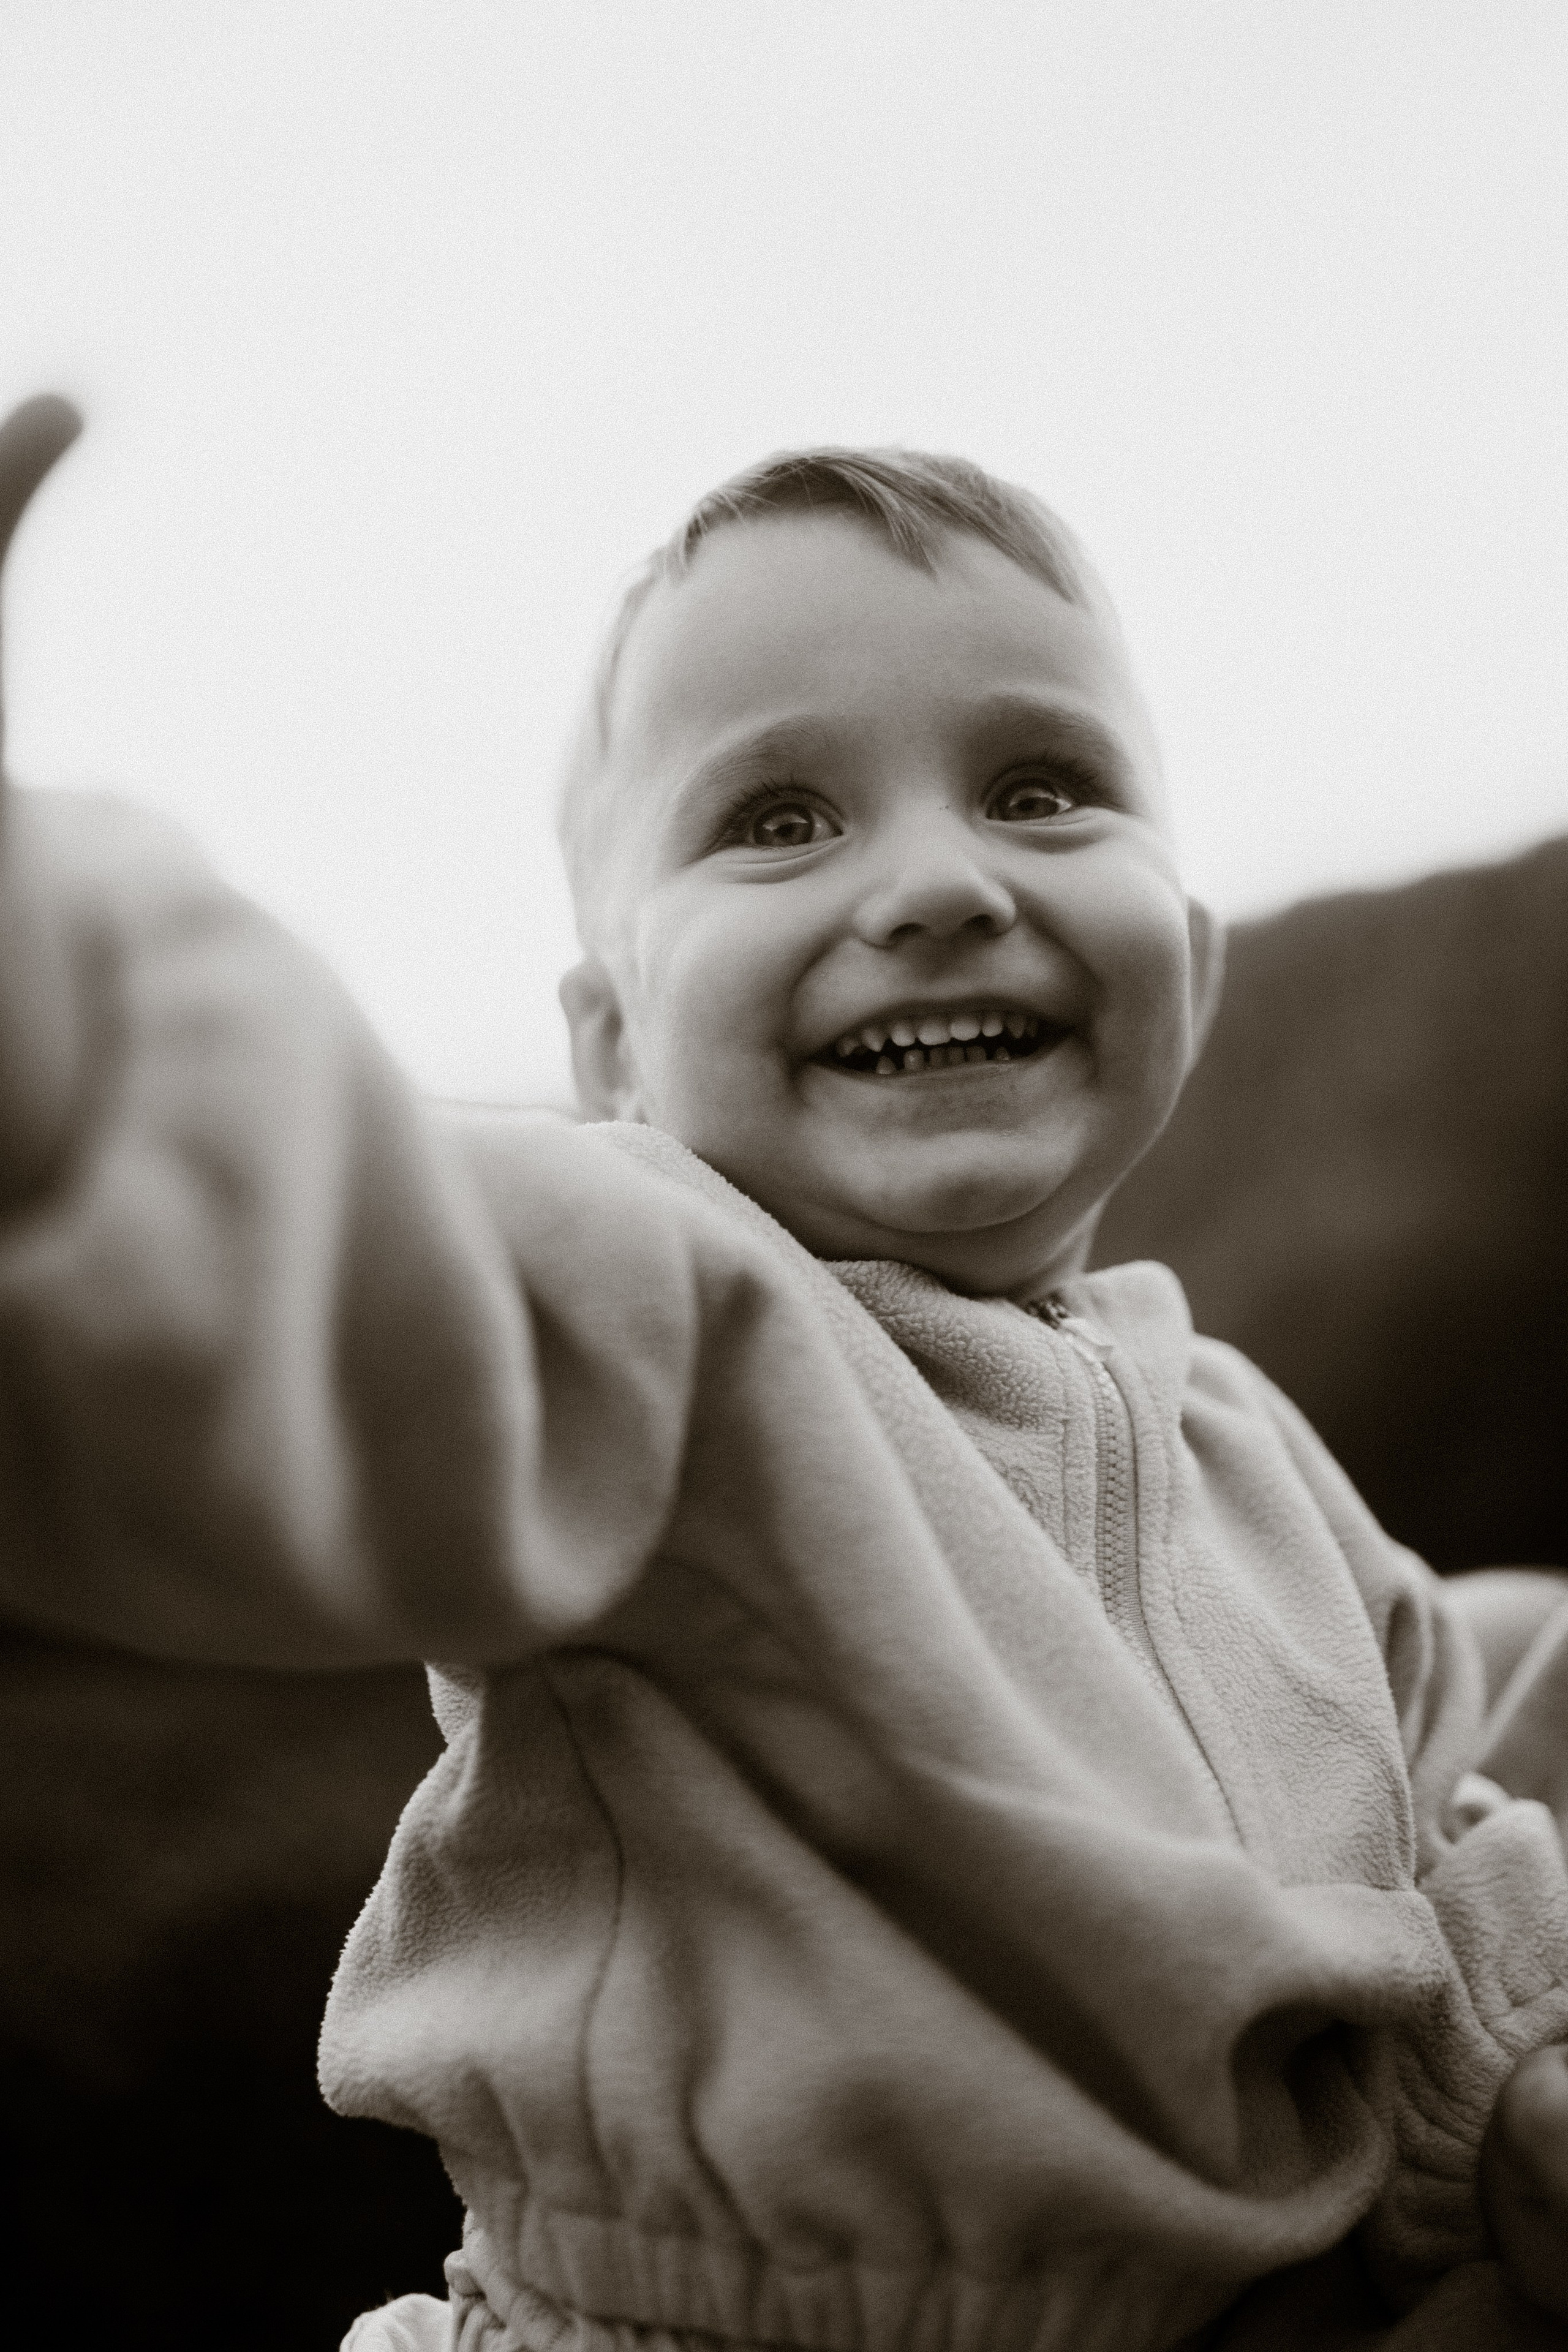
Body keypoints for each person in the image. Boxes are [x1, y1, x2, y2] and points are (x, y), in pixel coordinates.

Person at [1, 401, 1566, 2352]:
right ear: (612, 1051)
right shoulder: (666, 1325)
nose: (934, 885)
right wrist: (79, 1080)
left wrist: (1503, 2087)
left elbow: (1433, 1824)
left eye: (1041, 788)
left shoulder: (1241, 1443)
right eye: (778, 822)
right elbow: (337, 1287)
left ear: (1193, 960)